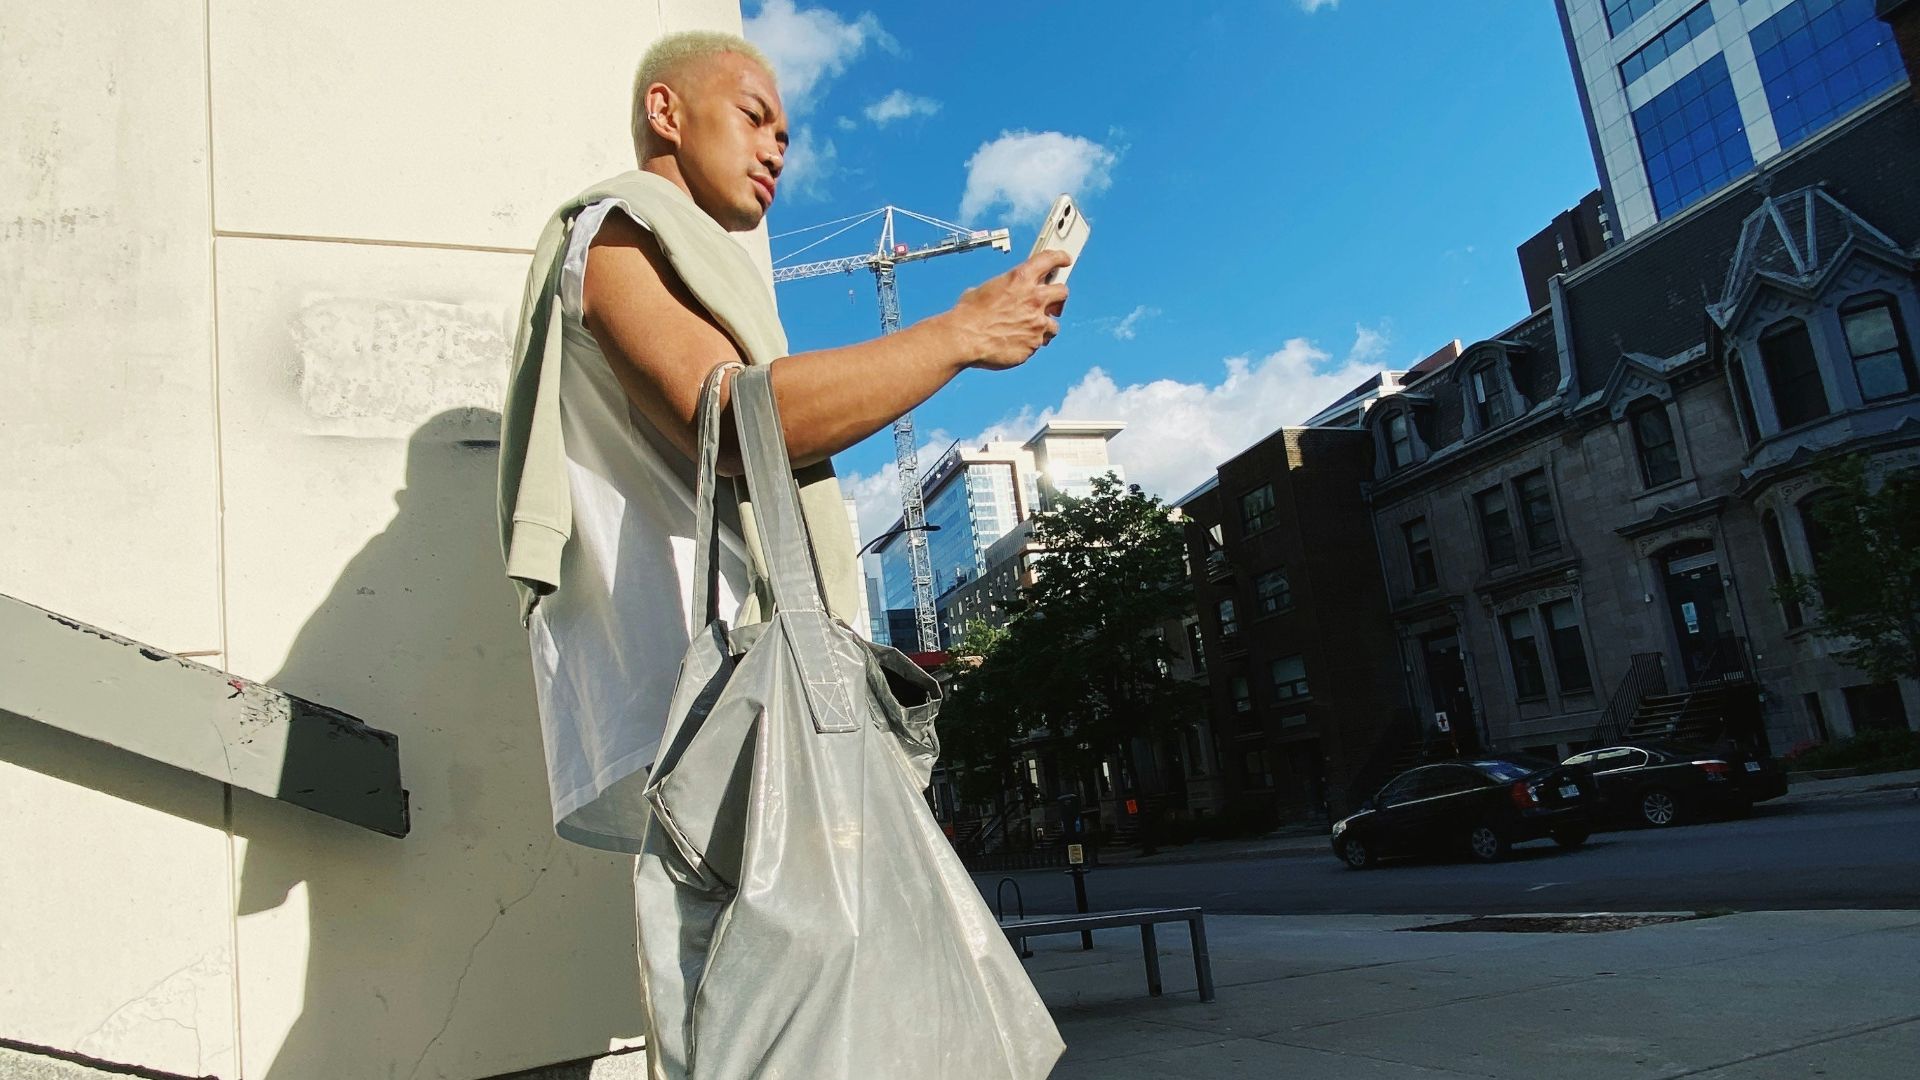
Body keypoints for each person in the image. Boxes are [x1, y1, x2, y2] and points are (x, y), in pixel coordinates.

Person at [495, 15, 1068, 976]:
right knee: (781, 1009)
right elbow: (730, 417)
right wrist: (961, 333)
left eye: (787, 138)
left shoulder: (692, 258)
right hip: (717, 703)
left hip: (755, 697)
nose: (775, 149)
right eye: (756, 117)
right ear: (664, 111)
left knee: (814, 999)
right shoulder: (615, 231)